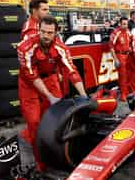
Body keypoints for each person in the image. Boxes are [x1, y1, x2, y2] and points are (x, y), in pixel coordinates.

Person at [17, 16, 87, 171]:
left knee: (59, 116)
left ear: (56, 33)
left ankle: (59, 152)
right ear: (38, 30)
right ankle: (41, 164)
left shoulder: (62, 48)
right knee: (34, 121)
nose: (45, 36)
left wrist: (84, 96)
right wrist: (49, 97)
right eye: (42, 31)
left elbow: (72, 71)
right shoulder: (24, 47)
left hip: (50, 79)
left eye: (49, 33)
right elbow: (31, 76)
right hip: (28, 84)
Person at [109, 17, 134, 101]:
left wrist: (131, 49)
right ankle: (123, 94)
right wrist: (115, 59)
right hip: (120, 56)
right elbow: (111, 46)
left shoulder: (128, 32)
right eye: (123, 24)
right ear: (119, 24)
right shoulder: (116, 33)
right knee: (122, 76)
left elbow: (132, 42)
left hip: (128, 56)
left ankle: (128, 92)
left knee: (129, 75)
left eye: (126, 24)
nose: (125, 26)